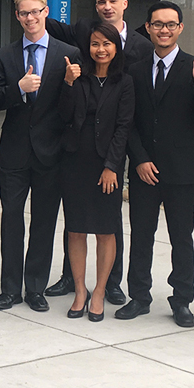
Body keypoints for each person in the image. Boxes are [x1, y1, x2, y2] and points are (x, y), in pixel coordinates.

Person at [0, 0, 150, 305]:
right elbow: (73, 98)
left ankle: (104, 285)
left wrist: (119, 158)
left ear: (124, 4)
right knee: (59, 223)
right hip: (43, 152)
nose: (106, 6)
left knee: (99, 222)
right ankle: (27, 286)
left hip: (95, 149)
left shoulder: (141, 48)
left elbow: (128, 113)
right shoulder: (75, 42)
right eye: (101, 1)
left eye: (112, 0)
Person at [121, 1, 194, 327]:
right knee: (142, 235)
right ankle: (139, 296)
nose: (164, 29)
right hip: (144, 170)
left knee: (182, 238)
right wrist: (140, 160)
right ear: (147, 27)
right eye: (157, 24)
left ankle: (182, 300)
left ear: (180, 28)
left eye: (170, 24)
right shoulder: (133, 70)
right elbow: (128, 122)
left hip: (182, 170)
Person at [0, 0, 81, 313]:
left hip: (50, 153)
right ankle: (9, 289)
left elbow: (73, 109)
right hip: (14, 153)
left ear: (46, 12)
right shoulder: (4, 55)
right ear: (17, 17)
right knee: (11, 221)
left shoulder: (68, 53)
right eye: (24, 13)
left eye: (35, 11)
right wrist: (18, 89)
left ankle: (35, 289)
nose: (30, 18)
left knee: (44, 223)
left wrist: (71, 84)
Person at [59, 23, 135, 322]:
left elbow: (123, 127)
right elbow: (63, 117)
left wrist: (112, 166)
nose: (100, 49)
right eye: (94, 44)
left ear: (116, 48)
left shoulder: (125, 82)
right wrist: (67, 84)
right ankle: (80, 290)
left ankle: (100, 291)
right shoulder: (78, 76)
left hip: (107, 166)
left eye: (106, 44)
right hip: (75, 162)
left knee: (106, 230)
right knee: (76, 228)